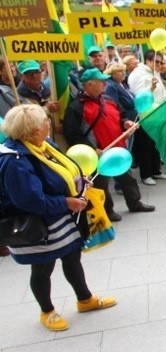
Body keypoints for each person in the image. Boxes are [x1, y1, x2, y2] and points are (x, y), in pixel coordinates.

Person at [0, 104, 117, 331]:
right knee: (43, 267)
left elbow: (61, 171)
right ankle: (47, 311)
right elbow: (29, 200)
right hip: (38, 225)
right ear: (33, 131)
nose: (50, 123)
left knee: (72, 257)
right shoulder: (15, 161)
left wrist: (80, 180)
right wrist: (66, 202)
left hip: (60, 219)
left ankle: (85, 299)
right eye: (45, 121)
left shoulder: (44, 145)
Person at [63, 68, 155, 220]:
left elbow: (122, 115)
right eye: (101, 81)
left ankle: (134, 202)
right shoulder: (77, 107)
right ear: (89, 85)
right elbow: (72, 134)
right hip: (98, 153)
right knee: (101, 184)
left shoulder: (109, 99)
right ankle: (108, 210)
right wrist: (93, 149)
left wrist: (126, 123)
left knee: (127, 177)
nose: (105, 83)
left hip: (117, 148)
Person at [127, 51, 166, 185]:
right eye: (157, 62)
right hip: (146, 116)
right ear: (148, 60)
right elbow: (139, 97)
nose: (160, 65)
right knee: (145, 146)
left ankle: (156, 171)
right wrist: (150, 88)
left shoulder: (154, 72)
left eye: (161, 62)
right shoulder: (139, 74)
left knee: (155, 145)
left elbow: (160, 91)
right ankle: (146, 174)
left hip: (157, 115)